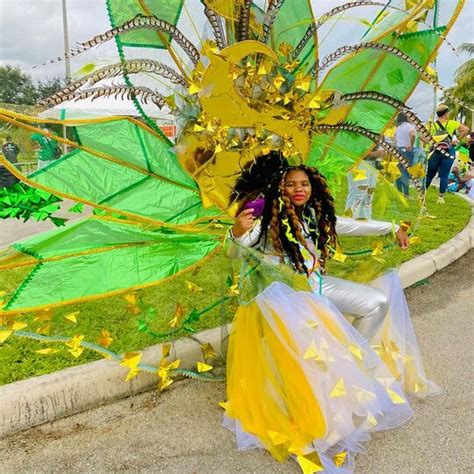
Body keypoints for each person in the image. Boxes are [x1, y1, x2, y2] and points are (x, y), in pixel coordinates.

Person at [223, 153, 437, 472]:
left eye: (304, 183)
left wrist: (392, 227)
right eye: (291, 184)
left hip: (317, 287)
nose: (299, 189)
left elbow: (346, 225)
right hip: (285, 298)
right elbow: (236, 249)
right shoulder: (264, 213)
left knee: (375, 303)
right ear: (279, 186)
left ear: (312, 186)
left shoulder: (314, 212)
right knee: (311, 345)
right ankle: (320, 401)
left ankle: (354, 369)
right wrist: (236, 233)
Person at [425, 104, 470, 203]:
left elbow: (421, 136)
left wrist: (431, 142)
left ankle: (422, 194)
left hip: (435, 151)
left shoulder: (431, 124)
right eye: (448, 112)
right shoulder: (452, 123)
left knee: (430, 174)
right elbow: (466, 130)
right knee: (444, 175)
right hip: (449, 151)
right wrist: (457, 140)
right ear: (445, 114)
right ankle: (440, 198)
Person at [344, 148, 383, 220]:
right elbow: (352, 146)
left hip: (372, 163)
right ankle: (350, 220)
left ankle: (365, 219)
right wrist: (373, 154)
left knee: (369, 194)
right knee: (358, 193)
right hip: (359, 163)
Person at [394, 112, 416, 197]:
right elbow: (413, 135)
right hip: (407, 150)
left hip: (399, 149)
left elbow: (395, 138)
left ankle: (399, 192)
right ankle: (406, 194)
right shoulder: (410, 126)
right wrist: (410, 144)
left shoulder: (398, 127)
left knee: (399, 171)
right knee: (406, 171)